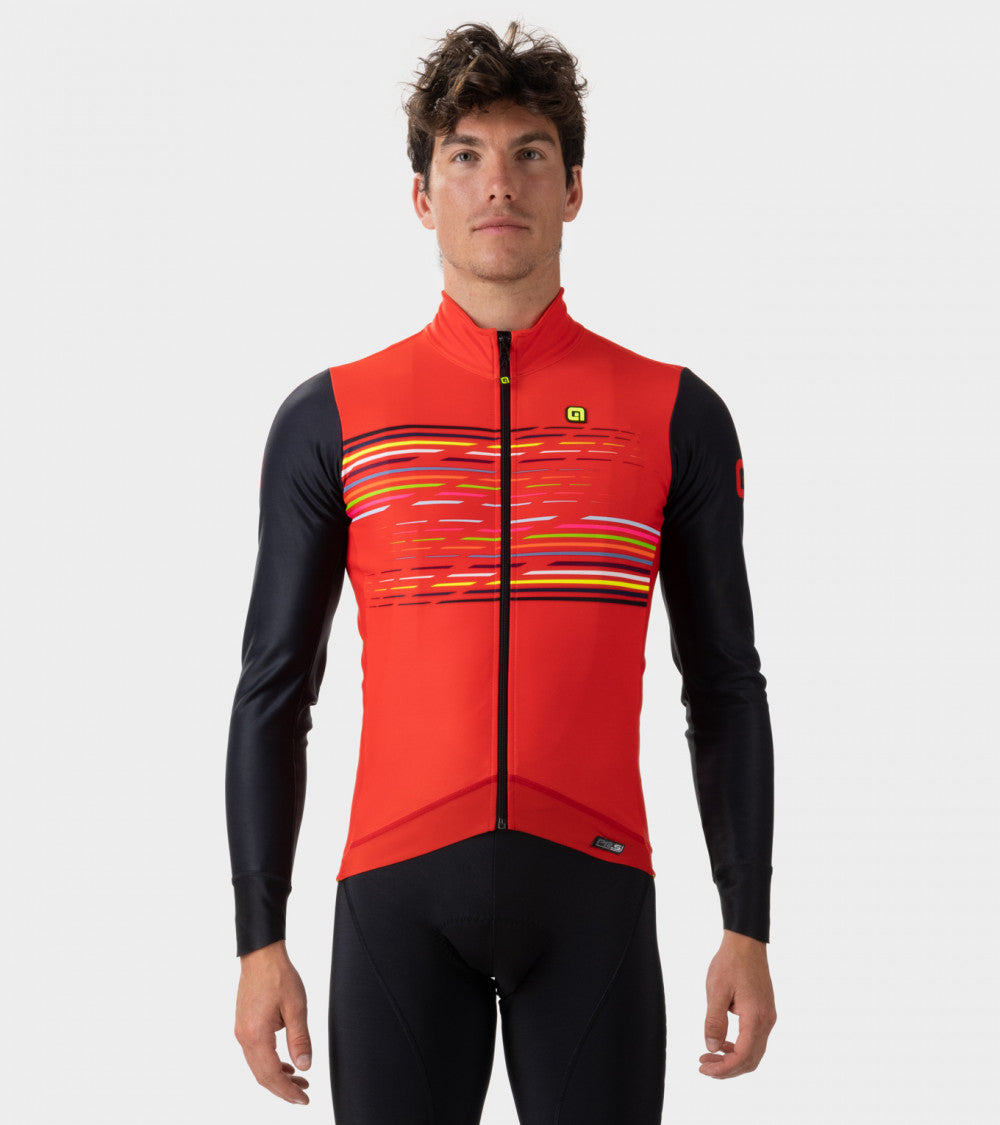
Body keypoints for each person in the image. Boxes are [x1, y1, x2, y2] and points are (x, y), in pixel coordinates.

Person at [226, 20, 776, 1123]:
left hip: (593, 889)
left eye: (529, 153)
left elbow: (723, 681)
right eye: (465, 155)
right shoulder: (332, 417)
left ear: (572, 190)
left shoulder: (673, 412)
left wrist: (746, 925)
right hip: (396, 891)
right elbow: (273, 690)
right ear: (421, 196)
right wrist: (258, 940)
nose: (497, 184)